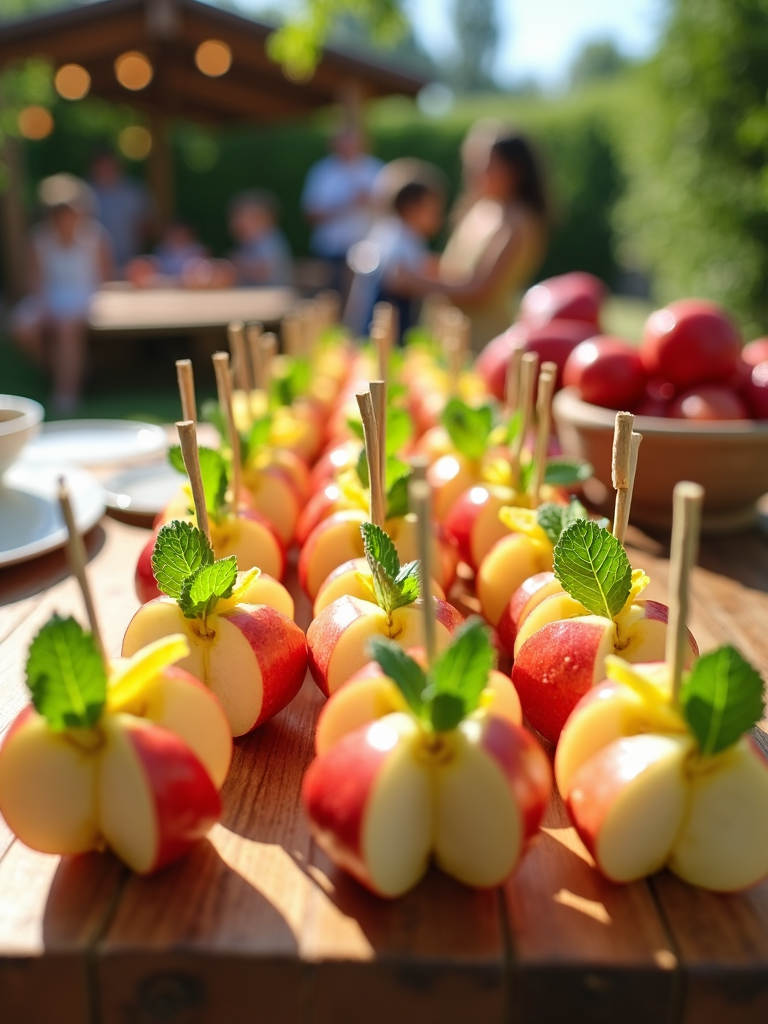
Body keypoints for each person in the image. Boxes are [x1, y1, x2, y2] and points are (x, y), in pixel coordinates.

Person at [393, 129, 548, 352]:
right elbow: (457, 270)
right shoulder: (480, 207)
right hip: (451, 338)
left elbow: (480, 290)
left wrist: (415, 281)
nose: (473, 171)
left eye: (485, 164)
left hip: (483, 344)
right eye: (471, 162)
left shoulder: (517, 222)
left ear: (514, 169)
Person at [11, 174, 112, 414]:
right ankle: (69, 371)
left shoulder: (95, 236)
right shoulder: (39, 238)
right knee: (21, 327)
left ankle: (66, 392)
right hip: (48, 297)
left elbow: (105, 278)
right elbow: (34, 280)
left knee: (67, 326)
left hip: (86, 296)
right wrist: (45, 307)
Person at [344, 159, 446, 338]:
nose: (439, 217)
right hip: (385, 327)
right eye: (433, 210)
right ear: (411, 209)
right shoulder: (402, 237)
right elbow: (397, 278)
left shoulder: (392, 231)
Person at [301, 127, 383, 294]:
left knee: (363, 298)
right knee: (332, 298)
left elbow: (391, 210)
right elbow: (310, 215)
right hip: (331, 249)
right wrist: (345, 205)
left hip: (368, 248)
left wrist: (370, 201)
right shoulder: (322, 171)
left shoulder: (376, 169)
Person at [89, 150, 153, 273]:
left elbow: (149, 225)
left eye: (109, 164)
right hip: (95, 266)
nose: (105, 169)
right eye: (101, 165)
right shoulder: (85, 192)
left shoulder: (134, 191)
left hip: (131, 263)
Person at [228, 190, 293, 287]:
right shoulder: (251, 241)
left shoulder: (268, 238)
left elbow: (264, 271)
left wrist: (234, 267)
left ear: (259, 218)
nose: (234, 222)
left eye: (239, 216)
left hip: (271, 296)